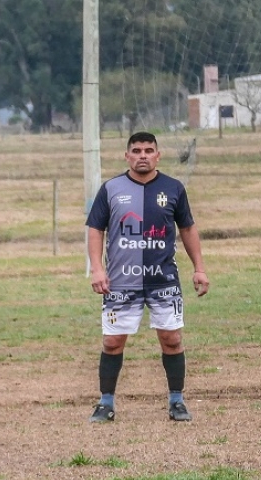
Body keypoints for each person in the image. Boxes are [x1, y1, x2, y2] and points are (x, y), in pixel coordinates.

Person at [86, 131, 210, 423]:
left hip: (163, 280)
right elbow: (95, 229)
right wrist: (97, 268)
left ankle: (176, 402)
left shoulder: (174, 188)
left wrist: (200, 268)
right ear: (127, 155)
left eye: (148, 150)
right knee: (113, 342)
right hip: (120, 282)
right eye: (137, 150)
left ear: (158, 155)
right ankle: (106, 404)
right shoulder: (111, 188)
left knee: (171, 338)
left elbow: (188, 229)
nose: (143, 155)